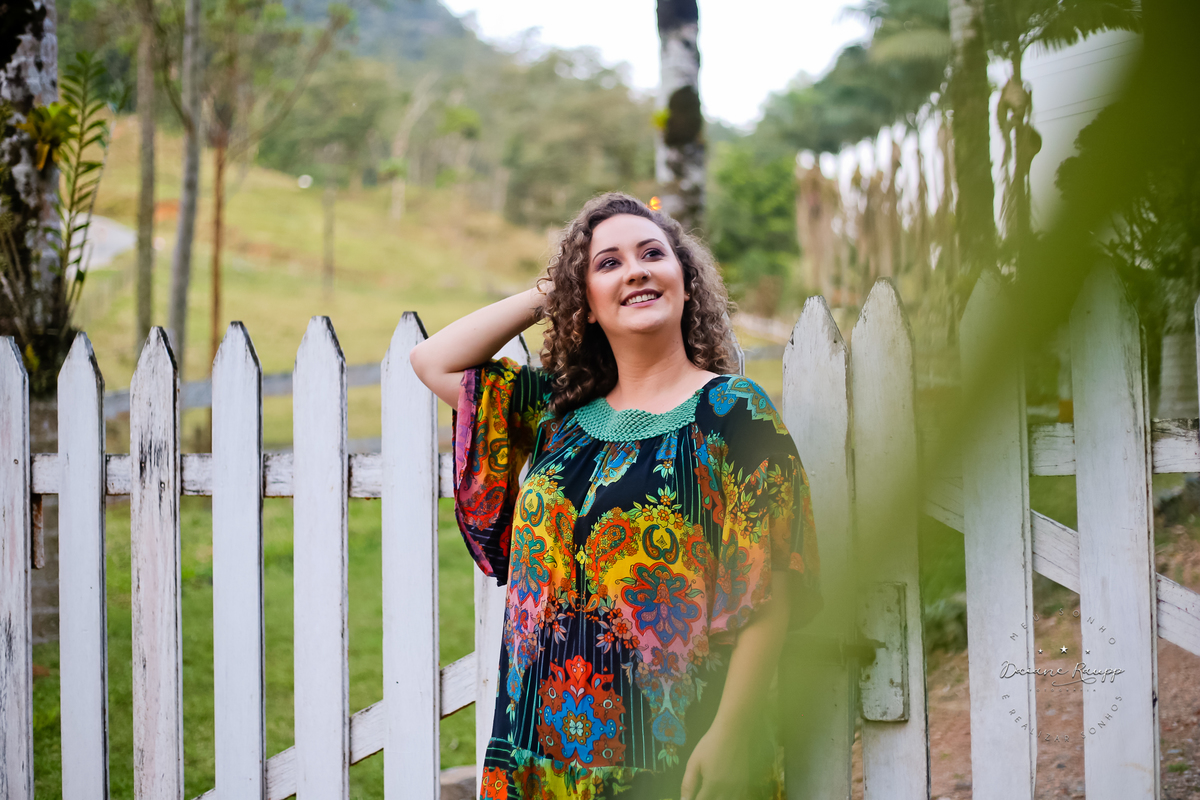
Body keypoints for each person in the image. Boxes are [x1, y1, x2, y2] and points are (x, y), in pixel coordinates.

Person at [410, 192, 821, 800]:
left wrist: (733, 732)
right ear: (587, 304)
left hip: (671, 750)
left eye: (653, 254)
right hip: (534, 745)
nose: (636, 270)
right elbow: (433, 361)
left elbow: (771, 584)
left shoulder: (734, 412)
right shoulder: (559, 414)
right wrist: (554, 291)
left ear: (686, 283)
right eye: (609, 263)